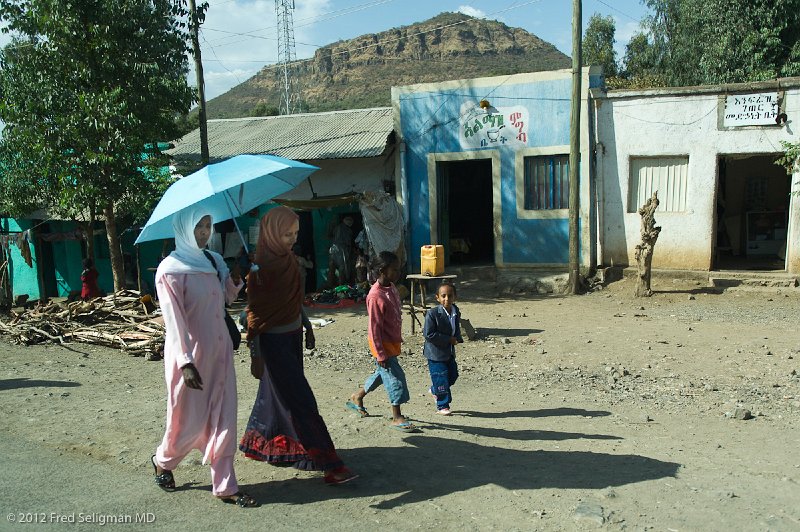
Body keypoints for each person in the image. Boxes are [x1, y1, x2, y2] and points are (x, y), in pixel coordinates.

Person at [240, 206, 357, 485]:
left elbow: (294, 301)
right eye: (286, 234)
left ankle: (260, 444)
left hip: (292, 337)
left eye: (294, 233)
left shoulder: (289, 260)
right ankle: (330, 463)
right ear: (271, 233)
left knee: (276, 394)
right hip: (273, 342)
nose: (292, 239)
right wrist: (256, 355)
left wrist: (307, 328)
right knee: (301, 400)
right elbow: (253, 315)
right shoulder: (260, 268)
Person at [150, 209, 257, 508]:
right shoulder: (169, 269)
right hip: (189, 357)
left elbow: (225, 299)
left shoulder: (213, 261)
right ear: (184, 227)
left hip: (220, 353)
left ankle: (225, 485)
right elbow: (174, 321)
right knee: (186, 421)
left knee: (225, 417)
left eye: (208, 226)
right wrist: (185, 362)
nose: (203, 232)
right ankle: (163, 460)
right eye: (198, 226)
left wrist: (236, 276)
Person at [346, 251, 417, 432]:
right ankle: (397, 416)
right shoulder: (375, 296)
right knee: (395, 378)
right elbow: (374, 327)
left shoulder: (391, 287)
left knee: (382, 374)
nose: (398, 273)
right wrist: (379, 352)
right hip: (382, 344)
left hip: (391, 342)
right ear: (382, 270)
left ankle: (358, 396)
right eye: (394, 269)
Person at [423, 281, 463, 415]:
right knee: (440, 378)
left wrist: (457, 338)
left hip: (449, 352)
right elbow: (429, 334)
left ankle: (435, 390)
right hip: (435, 353)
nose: (447, 299)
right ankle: (442, 405)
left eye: (450, 296)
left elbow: (455, 327)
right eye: (443, 296)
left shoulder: (456, 310)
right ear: (437, 298)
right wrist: (448, 339)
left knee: (453, 375)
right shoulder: (433, 314)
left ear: (455, 297)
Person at [327, 215, 354, 286]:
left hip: (333, 249)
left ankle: (331, 285)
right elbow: (348, 242)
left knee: (332, 268)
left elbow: (330, 235)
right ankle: (341, 285)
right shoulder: (347, 230)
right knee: (342, 268)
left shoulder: (337, 228)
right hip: (341, 250)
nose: (350, 222)